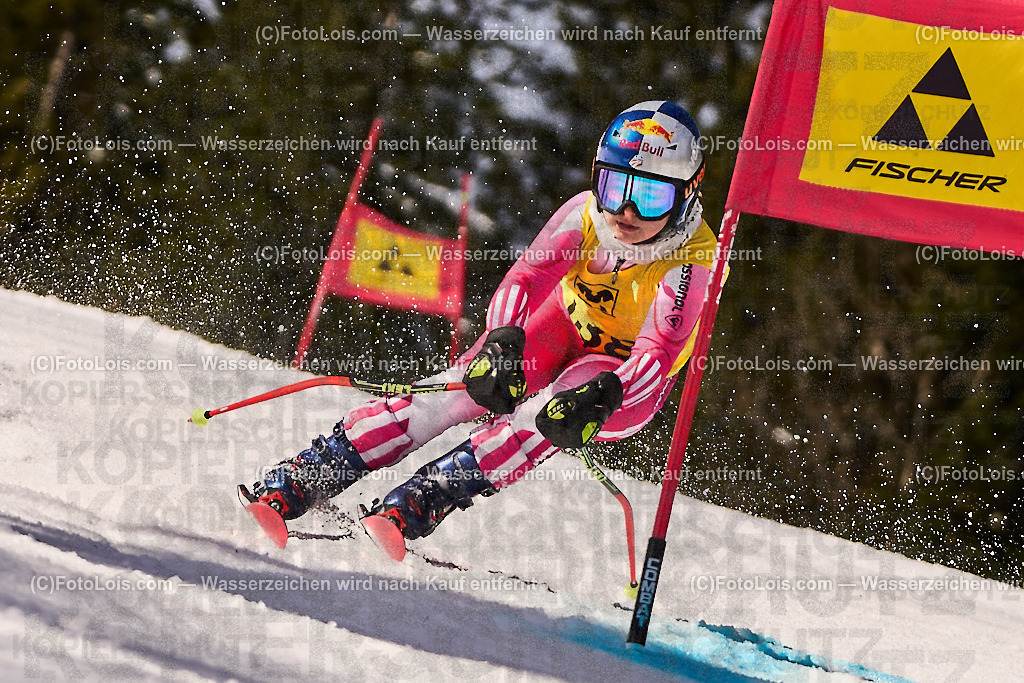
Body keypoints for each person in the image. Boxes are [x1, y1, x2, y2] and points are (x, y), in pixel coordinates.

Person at [243, 100, 717, 545]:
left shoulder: (694, 259)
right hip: (564, 325)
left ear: (686, 196)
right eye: (616, 188)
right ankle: (306, 476)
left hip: (626, 377)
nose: (627, 211)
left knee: (541, 418)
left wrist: (607, 395)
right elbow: (527, 278)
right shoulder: (586, 214)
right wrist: (502, 343)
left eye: (651, 196)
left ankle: (421, 501)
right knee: (460, 389)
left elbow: (658, 351)